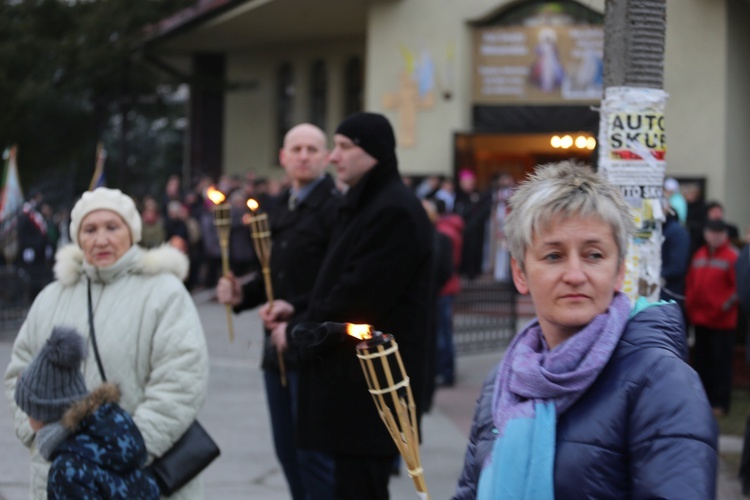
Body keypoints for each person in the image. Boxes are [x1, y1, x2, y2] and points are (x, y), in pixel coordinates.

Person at [454, 161, 717, 499]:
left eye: (594, 255)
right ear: (520, 273)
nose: (575, 274)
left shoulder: (661, 382)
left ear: (619, 271)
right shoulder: (504, 381)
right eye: (553, 256)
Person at [264, 112, 433, 500]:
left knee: (359, 489)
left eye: (343, 147)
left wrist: (298, 332)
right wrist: (299, 309)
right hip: (350, 389)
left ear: (371, 152)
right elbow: (335, 283)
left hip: (371, 389)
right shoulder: (365, 203)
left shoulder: (393, 211)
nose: (333, 157)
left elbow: (359, 298)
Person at [5, 187, 209, 499]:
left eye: (112, 227)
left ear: (132, 232)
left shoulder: (165, 293)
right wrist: (39, 437)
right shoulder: (51, 298)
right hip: (62, 476)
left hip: (137, 473)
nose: (101, 239)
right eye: (90, 229)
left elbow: (181, 381)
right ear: (77, 237)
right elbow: (19, 376)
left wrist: (126, 448)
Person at [217, 123, 340, 500]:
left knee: (314, 457)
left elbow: (334, 283)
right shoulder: (280, 205)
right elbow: (273, 276)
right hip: (277, 350)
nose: (304, 156)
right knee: (287, 453)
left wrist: (297, 309)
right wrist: (241, 292)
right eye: (296, 149)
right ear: (283, 158)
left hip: (314, 348)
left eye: (312, 149)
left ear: (325, 157)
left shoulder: (335, 207)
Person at [14, 326, 159, 499]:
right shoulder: (113, 432)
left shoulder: (66, 470)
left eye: (29, 411)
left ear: (44, 414)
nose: (27, 418)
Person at [686, 218, 739, 417]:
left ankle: (720, 403)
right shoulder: (699, 255)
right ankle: (703, 400)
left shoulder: (732, 256)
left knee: (721, 364)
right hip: (700, 319)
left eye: (719, 233)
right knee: (702, 363)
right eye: (711, 232)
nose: (715, 237)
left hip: (722, 322)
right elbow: (691, 283)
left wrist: (722, 307)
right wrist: (690, 307)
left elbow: (737, 289)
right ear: (706, 234)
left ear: (724, 235)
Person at [659, 199, 691, 324]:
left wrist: (656, 275)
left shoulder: (676, 232)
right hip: (666, 294)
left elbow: (677, 266)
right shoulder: (666, 229)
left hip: (671, 293)